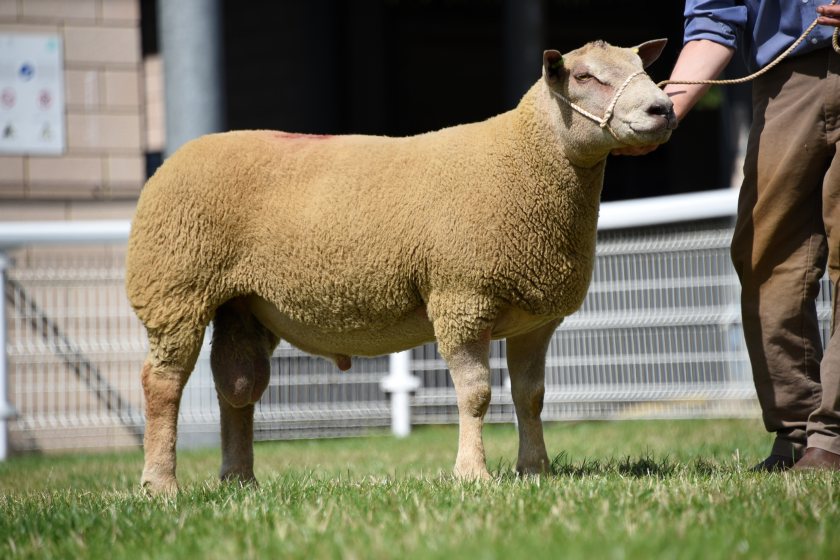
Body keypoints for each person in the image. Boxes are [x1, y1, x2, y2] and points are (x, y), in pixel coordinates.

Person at [615, 1, 840, 471]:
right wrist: (663, 114)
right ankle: (796, 434)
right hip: (785, 78)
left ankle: (832, 441)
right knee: (765, 254)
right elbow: (715, 19)